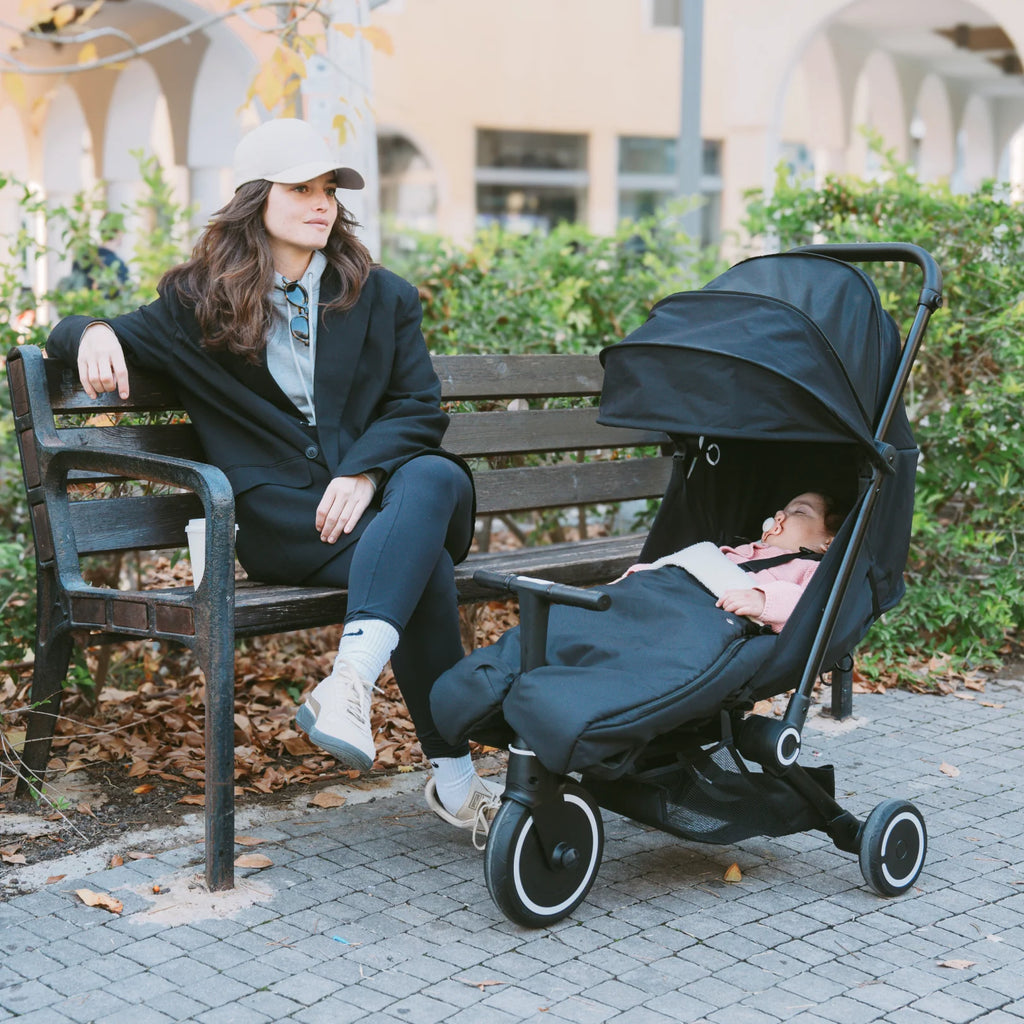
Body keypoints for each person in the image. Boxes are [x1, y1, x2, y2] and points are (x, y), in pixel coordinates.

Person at [45, 118, 500, 839]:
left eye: (329, 190)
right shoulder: (198, 304)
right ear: (258, 199)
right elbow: (70, 335)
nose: (322, 203)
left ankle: (350, 679)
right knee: (425, 567)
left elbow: (419, 407)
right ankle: (454, 779)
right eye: (301, 189)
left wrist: (362, 471)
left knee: (436, 477)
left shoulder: (383, 297)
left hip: (387, 500)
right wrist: (90, 332)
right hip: (286, 520)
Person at [620, 491, 841, 633]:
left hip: (710, 615)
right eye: (784, 509)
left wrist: (765, 601)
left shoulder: (810, 568)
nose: (782, 515)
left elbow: (812, 604)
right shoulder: (742, 550)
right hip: (676, 590)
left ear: (828, 543)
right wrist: (642, 574)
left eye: (800, 512)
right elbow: (692, 563)